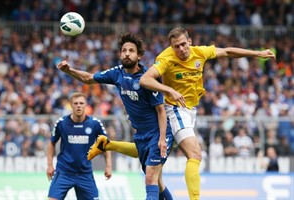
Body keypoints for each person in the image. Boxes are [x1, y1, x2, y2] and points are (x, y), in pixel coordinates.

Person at [139, 27, 276, 200]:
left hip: (189, 111)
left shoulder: (200, 52)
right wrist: (169, 90)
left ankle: (110, 145)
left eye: (183, 44)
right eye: (176, 46)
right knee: (195, 154)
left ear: (189, 41)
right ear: (171, 47)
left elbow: (227, 52)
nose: (181, 49)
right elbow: (145, 79)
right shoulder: (166, 59)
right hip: (174, 109)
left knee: (154, 149)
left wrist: (257, 54)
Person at [57, 33, 174, 200]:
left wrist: (162, 138)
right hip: (141, 135)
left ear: (139, 55)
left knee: (150, 177)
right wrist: (69, 70)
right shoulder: (117, 73)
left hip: (158, 133)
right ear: (120, 54)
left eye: (131, 51)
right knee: (158, 181)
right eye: (124, 50)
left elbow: (161, 111)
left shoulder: (147, 78)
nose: (127, 53)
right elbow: (89, 78)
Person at [46, 92, 112, 200]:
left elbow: (105, 144)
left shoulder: (94, 124)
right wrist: (49, 165)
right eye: (75, 103)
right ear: (71, 105)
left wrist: (108, 166)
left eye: (81, 103)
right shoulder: (62, 123)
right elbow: (51, 143)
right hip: (64, 172)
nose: (78, 106)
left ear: (86, 105)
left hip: (84, 174)